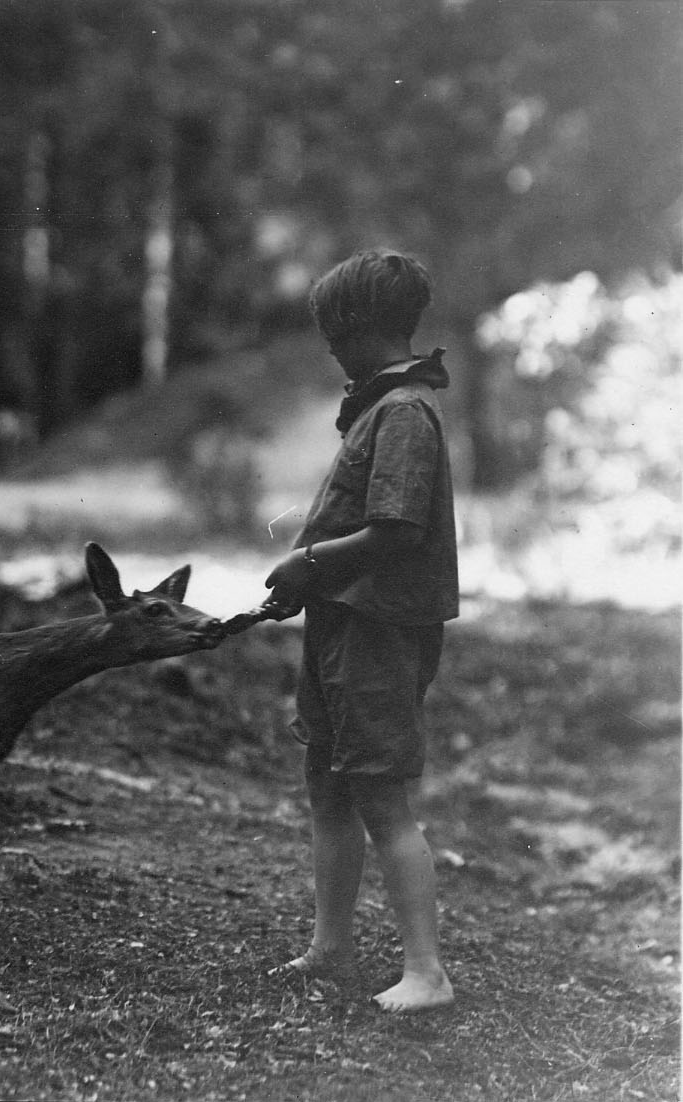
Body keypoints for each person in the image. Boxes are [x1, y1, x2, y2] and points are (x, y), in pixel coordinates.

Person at [261, 249, 458, 1013]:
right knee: (328, 785)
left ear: (357, 328)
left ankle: (426, 973)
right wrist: (307, 584)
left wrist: (307, 560)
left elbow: (394, 530)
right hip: (341, 623)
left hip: (379, 628)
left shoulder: (404, 413)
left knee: (379, 795)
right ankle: (330, 947)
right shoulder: (378, 406)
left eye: (332, 334)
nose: (328, 349)